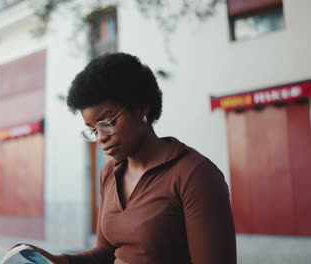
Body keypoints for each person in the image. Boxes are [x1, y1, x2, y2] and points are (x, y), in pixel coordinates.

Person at [23, 52, 237, 264]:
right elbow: (107, 253)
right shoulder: (110, 172)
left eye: (107, 123)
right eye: (93, 130)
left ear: (141, 109)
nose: (101, 138)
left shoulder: (195, 175)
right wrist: (59, 261)